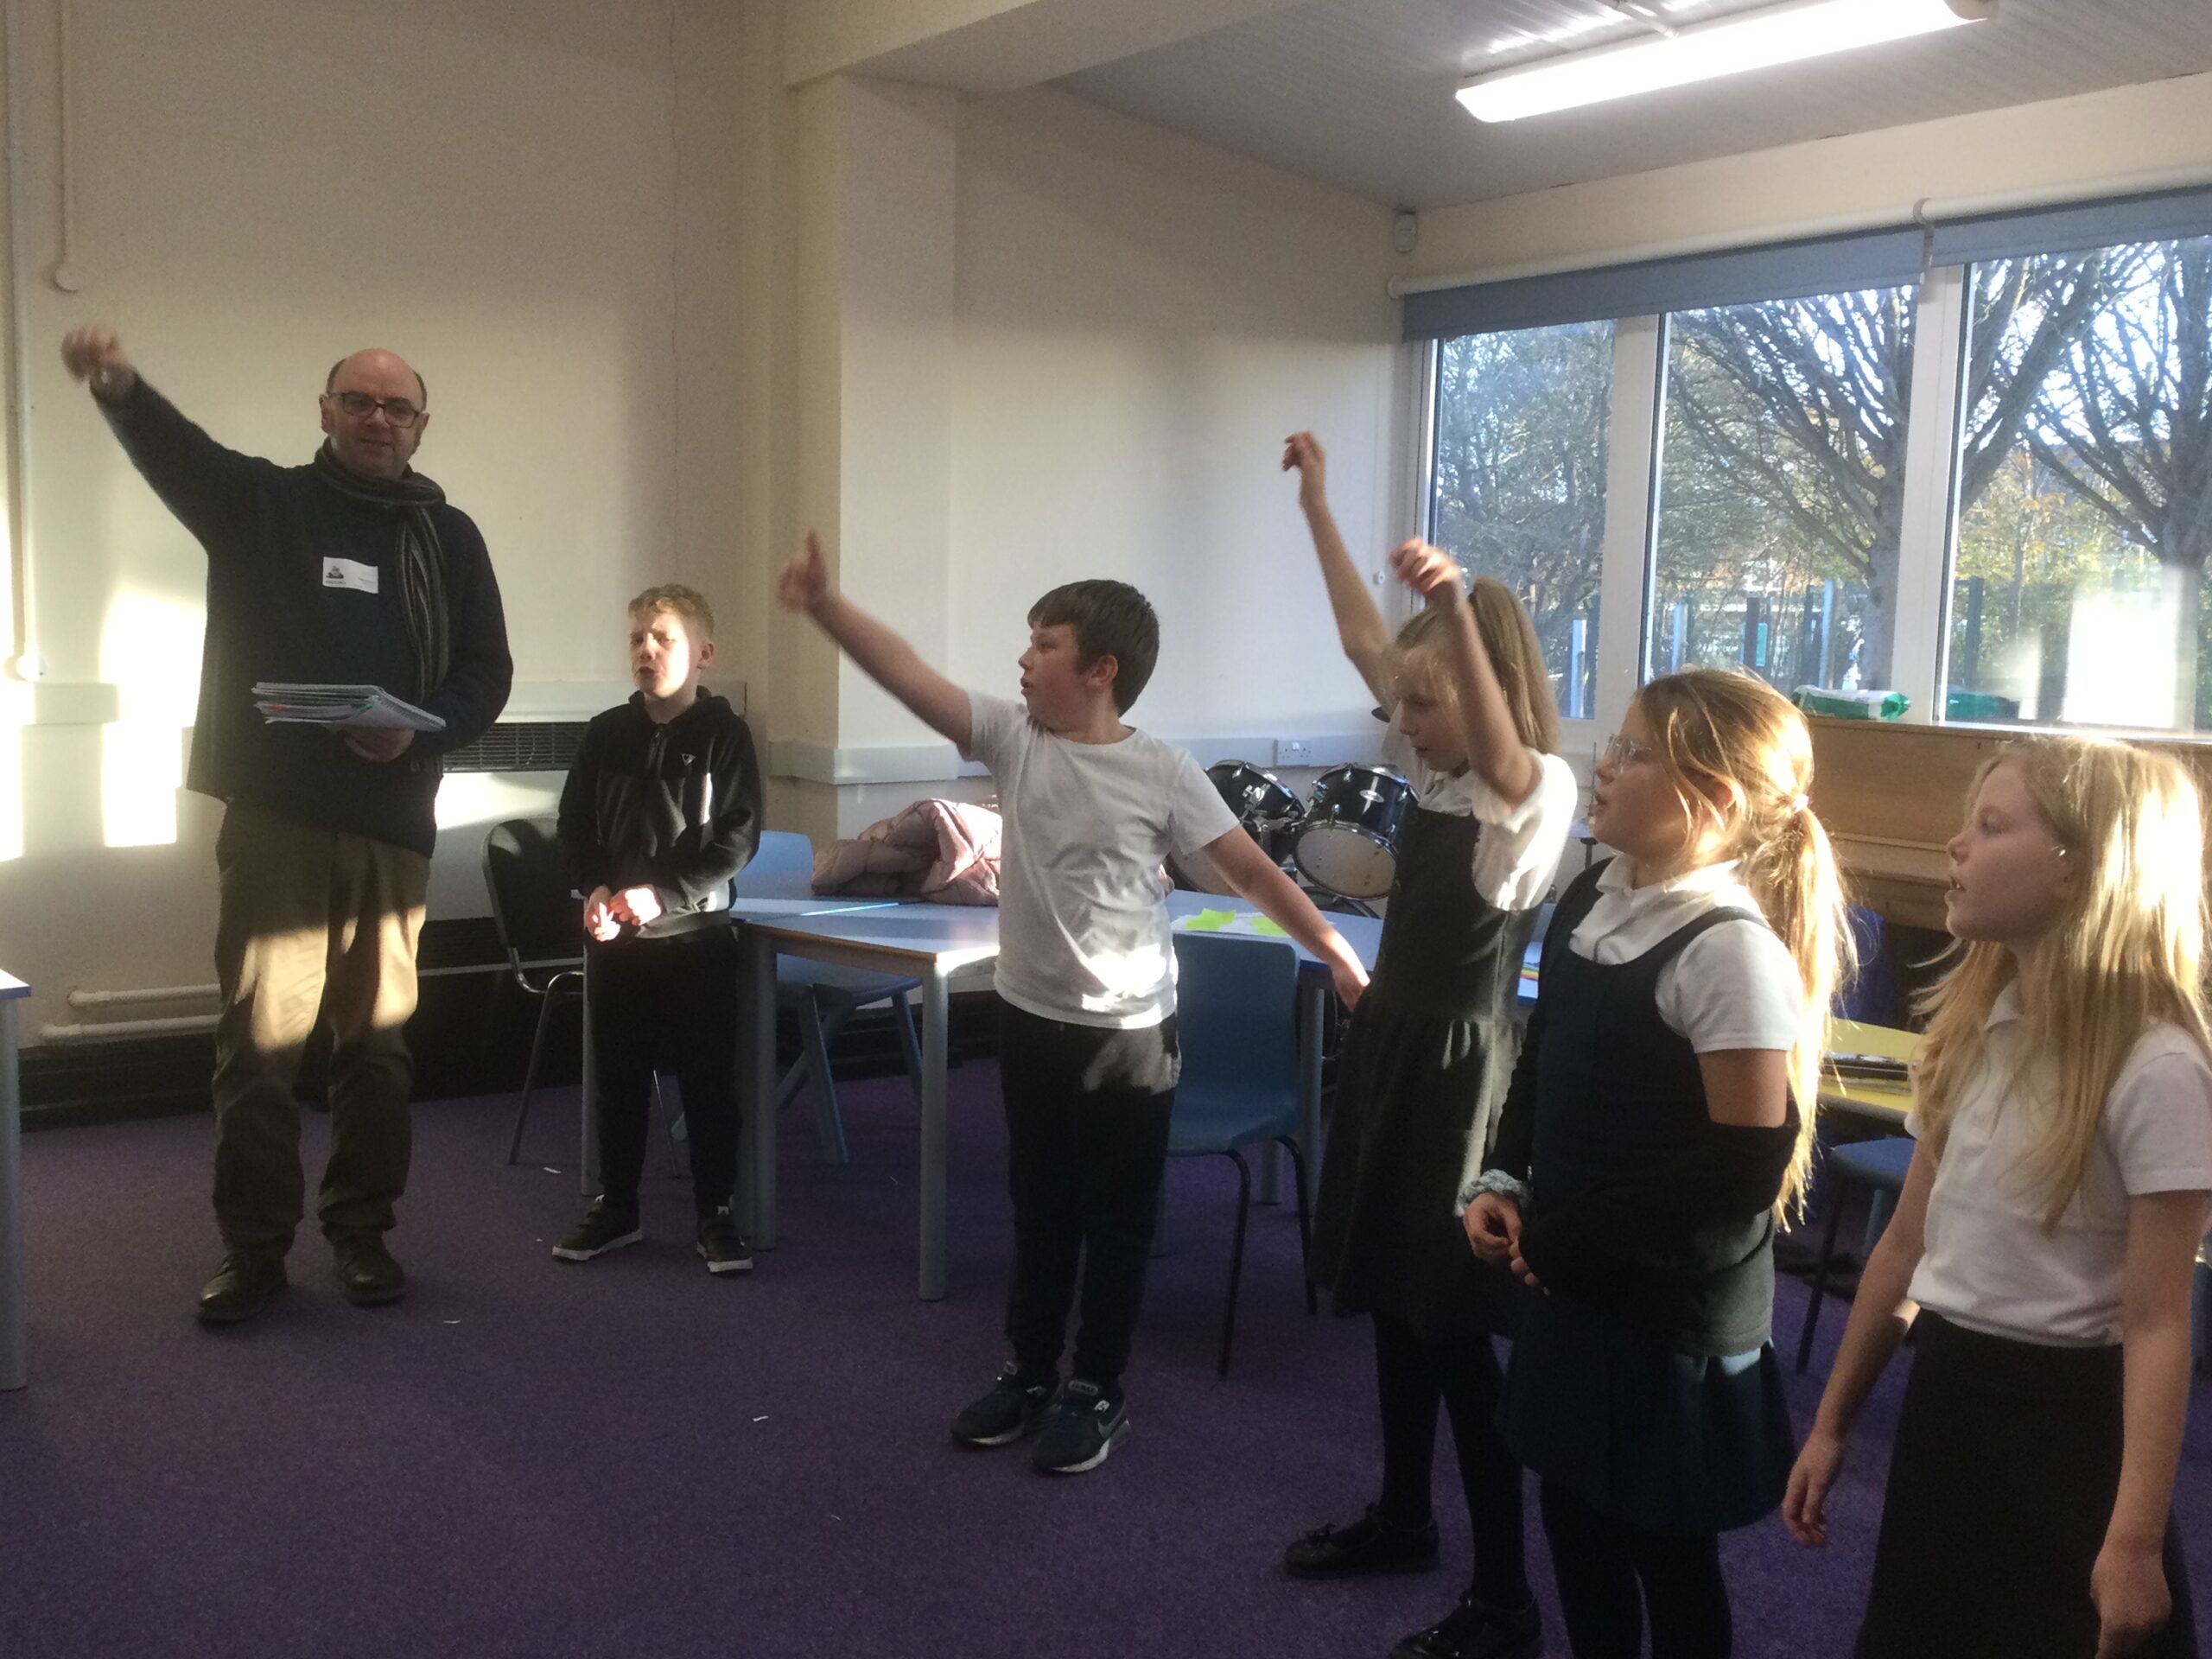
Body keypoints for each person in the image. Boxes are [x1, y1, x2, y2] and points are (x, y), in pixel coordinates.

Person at [778, 531, 1367, 1475]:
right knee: (1039, 1206)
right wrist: (825, 606)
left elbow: (1250, 871)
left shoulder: (1163, 771)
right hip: (1030, 1019)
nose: (1022, 657)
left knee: (1117, 1219)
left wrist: (1332, 947)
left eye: (1043, 643)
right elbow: (910, 677)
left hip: (1130, 1037)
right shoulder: (1015, 741)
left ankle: (1097, 1388)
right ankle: (1027, 1371)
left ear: (1100, 670)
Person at [61, 326, 512, 1324]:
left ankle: (361, 1233)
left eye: (397, 407)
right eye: (359, 401)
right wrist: (121, 387)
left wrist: (420, 730)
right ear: (325, 411)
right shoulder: (264, 505)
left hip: (394, 822)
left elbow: (486, 672)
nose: (378, 420)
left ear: (421, 426)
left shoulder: (450, 537)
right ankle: (254, 1249)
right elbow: (177, 457)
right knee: (258, 1048)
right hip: (277, 821)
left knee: (379, 1048)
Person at [1784, 737, 2209, 1659]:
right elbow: (1903, 1247)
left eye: (1990, 826)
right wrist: (1831, 1421)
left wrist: (2133, 1541)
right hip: (1952, 1402)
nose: (1955, 847)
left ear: (2079, 867)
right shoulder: (1977, 1028)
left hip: (2070, 1432)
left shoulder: (2158, 1066)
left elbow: (2157, 1322)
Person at [1465, 669, 1851, 1659]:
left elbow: (1735, 1172)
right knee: (1576, 1524)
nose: (1604, 764)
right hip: (1578, 1279)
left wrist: (1565, 1240)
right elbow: (1543, 1058)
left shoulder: (1727, 950)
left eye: (1634, 752)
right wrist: (1502, 1179)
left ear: (1712, 801)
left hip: (1666, 1309)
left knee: (1663, 1555)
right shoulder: (1596, 893)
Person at [1276, 434, 1574, 1659]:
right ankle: (1405, 1515)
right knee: (1398, 1314)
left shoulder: (1530, 786)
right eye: (1399, 706)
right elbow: (1363, 636)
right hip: (1398, 1054)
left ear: (1484, 679)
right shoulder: (1441, 771)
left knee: (1454, 1335)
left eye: (1428, 700)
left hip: (1465, 1084)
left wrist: (1452, 604)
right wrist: (1321, 510)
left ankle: (1505, 1592)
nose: (1404, 724)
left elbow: (1499, 745)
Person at [552, 584, 762, 1274]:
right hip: (618, 943)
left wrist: (663, 896)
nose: (646, 650)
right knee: (617, 1081)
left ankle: (716, 1213)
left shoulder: (725, 736)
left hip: (696, 942)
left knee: (708, 1083)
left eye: (663, 638)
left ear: (702, 653)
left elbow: (736, 841)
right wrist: (598, 887)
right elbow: (575, 827)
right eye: (637, 638)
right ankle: (618, 1208)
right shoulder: (606, 732)